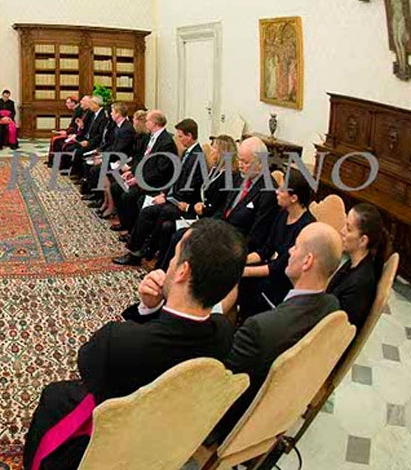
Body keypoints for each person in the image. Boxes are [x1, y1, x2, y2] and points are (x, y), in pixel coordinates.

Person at [23, 219, 245, 470]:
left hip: (110, 443)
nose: (169, 264)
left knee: (54, 395)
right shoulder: (225, 333)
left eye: (173, 257)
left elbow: (90, 370)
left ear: (183, 271)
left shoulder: (118, 341)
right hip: (165, 434)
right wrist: (149, 309)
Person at [215, 222, 343, 442]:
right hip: (276, 414)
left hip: (232, 423)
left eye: (295, 246)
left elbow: (217, 383)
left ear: (308, 261)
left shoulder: (260, 329)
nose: (290, 251)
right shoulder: (332, 307)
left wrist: (216, 316)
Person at [114, 119, 205, 266]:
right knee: (145, 207)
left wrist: (168, 199)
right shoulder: (189, 153)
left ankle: (142, 250)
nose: (178, 139)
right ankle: (139, 249)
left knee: (153, 211)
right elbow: (176, 180)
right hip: (172, 196)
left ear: (189, 136)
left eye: (181, 136)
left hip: (183, 203)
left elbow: (189, 188)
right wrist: (164, 193)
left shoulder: (197, 156)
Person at [236, 171, 315, 321]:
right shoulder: (282, 214)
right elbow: (266, 250)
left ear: (294, 198)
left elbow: (281, 267)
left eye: (282, 189)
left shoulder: (306, 227)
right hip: (273, 270)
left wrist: (244, 271)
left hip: (286, 280)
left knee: (246, 283)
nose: (277, 192)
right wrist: (240, 260)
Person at [148, 134, 237, 265]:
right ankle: (160, 266)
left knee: (172, 221)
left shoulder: (227, 177)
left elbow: (217, 206)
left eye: (214, 148)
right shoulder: (215, 170)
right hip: (199, 211)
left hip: (208, 219)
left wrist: (190, 207)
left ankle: (157, 259)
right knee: (167, 227)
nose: (211, 151)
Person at [109, 110, 178, 232]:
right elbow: (141, 158)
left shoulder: (166, 142)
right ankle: (124, 222)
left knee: (128, 196)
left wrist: (138, 179)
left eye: (147, 121)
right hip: (143, 176)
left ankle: (132, 229)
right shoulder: (149, 137)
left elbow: (160, 170)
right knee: (115, 187)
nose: (145, 123)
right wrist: (132, 171)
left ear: (155, 123)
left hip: (154, 182)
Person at [328, 203, 389, 328]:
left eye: (349, 229)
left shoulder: (361, 282)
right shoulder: (355, 262)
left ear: (363, 240)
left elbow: (337, 327)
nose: (342, 231)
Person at [94, 109, 148, 218]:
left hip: (131, 165)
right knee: (103, 169)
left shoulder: (143, 137)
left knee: (105, 170)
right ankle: (107, 202)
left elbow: (139, 156)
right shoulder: (138, 135)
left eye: (135, 121)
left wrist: (129, 166)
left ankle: (111, 206)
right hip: (127, 161)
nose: (133, 123)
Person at [81, 102, 137, 203]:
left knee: (95, 170)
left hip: (121, 160)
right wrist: (101, 155)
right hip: (113, 156)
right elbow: (112, 145)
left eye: (112, 112)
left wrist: (102, 159)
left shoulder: (126, 129)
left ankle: (100, 198)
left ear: (118, 114)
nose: (110, 114)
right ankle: (96, 194)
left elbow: (119, 151)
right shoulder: (118, 126)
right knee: (89, 163)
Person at [61, 95, 107, 179]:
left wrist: (88, 142)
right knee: (70, 147)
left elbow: (100, 135)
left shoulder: (102, 116)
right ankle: (72, 171)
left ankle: (79, 175)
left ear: (96, 104)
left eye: (91, 104)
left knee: (78, 152)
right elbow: (88, 128)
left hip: (94, 143)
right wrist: (81, 127)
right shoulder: (93, 114)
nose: (89, 106)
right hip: (87, 138)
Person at [47, 96, 82, 166]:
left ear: (73, 103)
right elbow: (73, 125)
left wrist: (67, 132)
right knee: (55, 139)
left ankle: (55, 162)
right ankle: (53, 161)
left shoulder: (79, 111)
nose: (66, 104)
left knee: (56, 140)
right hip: (72, 132)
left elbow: (76, 126)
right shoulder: (76, 110)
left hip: (76, 134)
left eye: (68, 102)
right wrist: (66, 131)